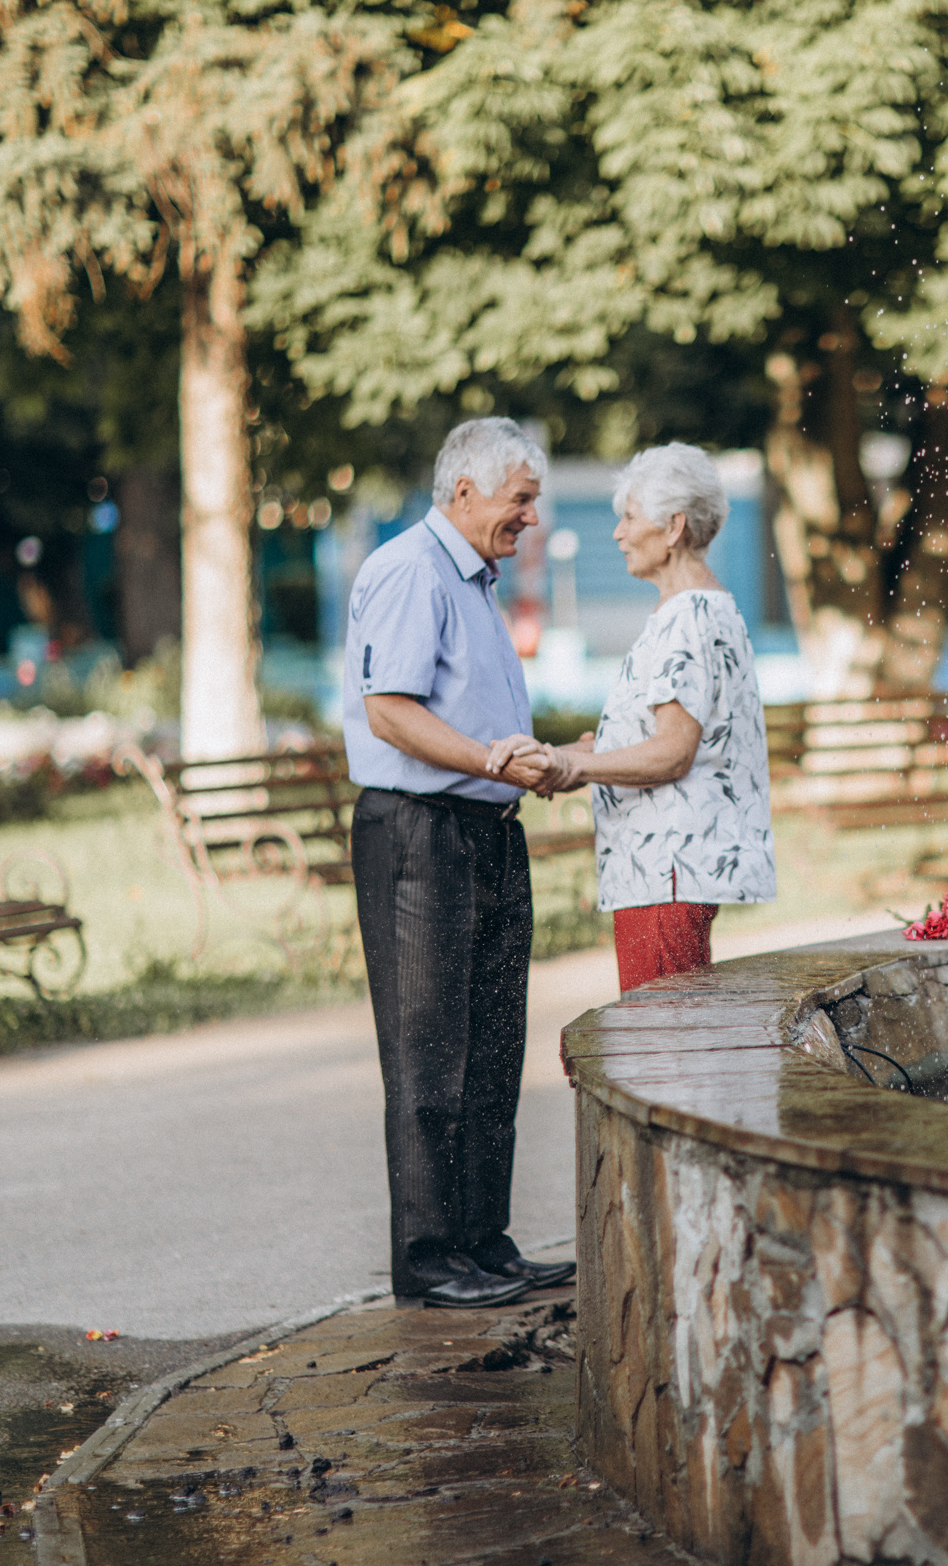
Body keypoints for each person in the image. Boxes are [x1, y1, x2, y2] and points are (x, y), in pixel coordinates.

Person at [342, 417, 573, 1310]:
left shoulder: (472, 578)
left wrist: (523, 766)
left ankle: (483, 1241)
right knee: (430, 1054)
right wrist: (489, 762)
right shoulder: (409, 568)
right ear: (465, 490)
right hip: (418, 832)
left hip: (483, 827)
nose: (530, 519)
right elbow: (390, 712)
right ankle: (430, 1258)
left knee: (490, 1049)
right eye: (522, 500)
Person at [542, 444, 776, 989]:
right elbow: (656, 736)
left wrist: (574, 769)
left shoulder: (685, 618)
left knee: (665, 1054)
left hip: (664, 875)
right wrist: (560, 756)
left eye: (628, 517)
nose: (619, 533)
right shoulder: (708, 607)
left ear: (673, 528)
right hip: (668, 872)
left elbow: (672, 752)